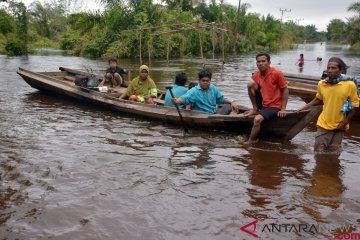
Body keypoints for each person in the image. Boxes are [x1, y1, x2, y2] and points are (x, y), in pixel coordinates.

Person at [297, 57, 359, 153]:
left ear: (341, 70)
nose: (330, 71)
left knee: (333, 153)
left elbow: (355, 104)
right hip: (324, 123)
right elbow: (318, 99)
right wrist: (304, 107)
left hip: (340, 125)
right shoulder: (322, 84)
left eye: (333, 68)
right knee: (318, 152)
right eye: (328, 68)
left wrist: (345, 122)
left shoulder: (349, 85)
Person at [243, 53, 289, 144]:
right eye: (258, 61)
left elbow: (285, 90)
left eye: (263, 61)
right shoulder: (256, 74)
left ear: (269, 62)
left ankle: (250, 141)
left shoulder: (276, 73)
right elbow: (254, 88)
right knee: (250, 84)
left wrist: (283, 109)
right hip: (264, 103)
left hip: (274, 105)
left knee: (257, 119)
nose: (260, 63)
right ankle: (255, 109)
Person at [171, 70, 237, 115]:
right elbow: (185, 98)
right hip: (203, 115)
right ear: (199, 81)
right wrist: (177, 101)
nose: (205, 82)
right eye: (203, 81)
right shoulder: (194, 91)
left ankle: (231, 116)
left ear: (210, 81)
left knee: (229, 106)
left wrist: (232, 102)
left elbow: (221, 99)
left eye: (207, 81)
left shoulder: (213, 88)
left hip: (213, 113)